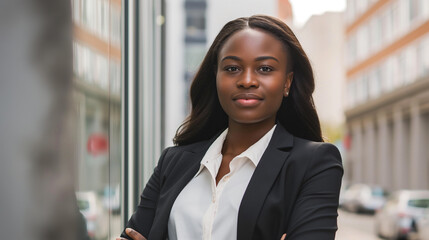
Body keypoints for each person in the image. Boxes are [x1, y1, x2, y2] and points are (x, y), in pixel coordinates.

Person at [117, 15, 343, 240]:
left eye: (264, 69)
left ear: (287, 82)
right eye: (232, 68)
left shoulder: (315, 164)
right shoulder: (173, 162)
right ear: (216, 77)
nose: (247, 80)